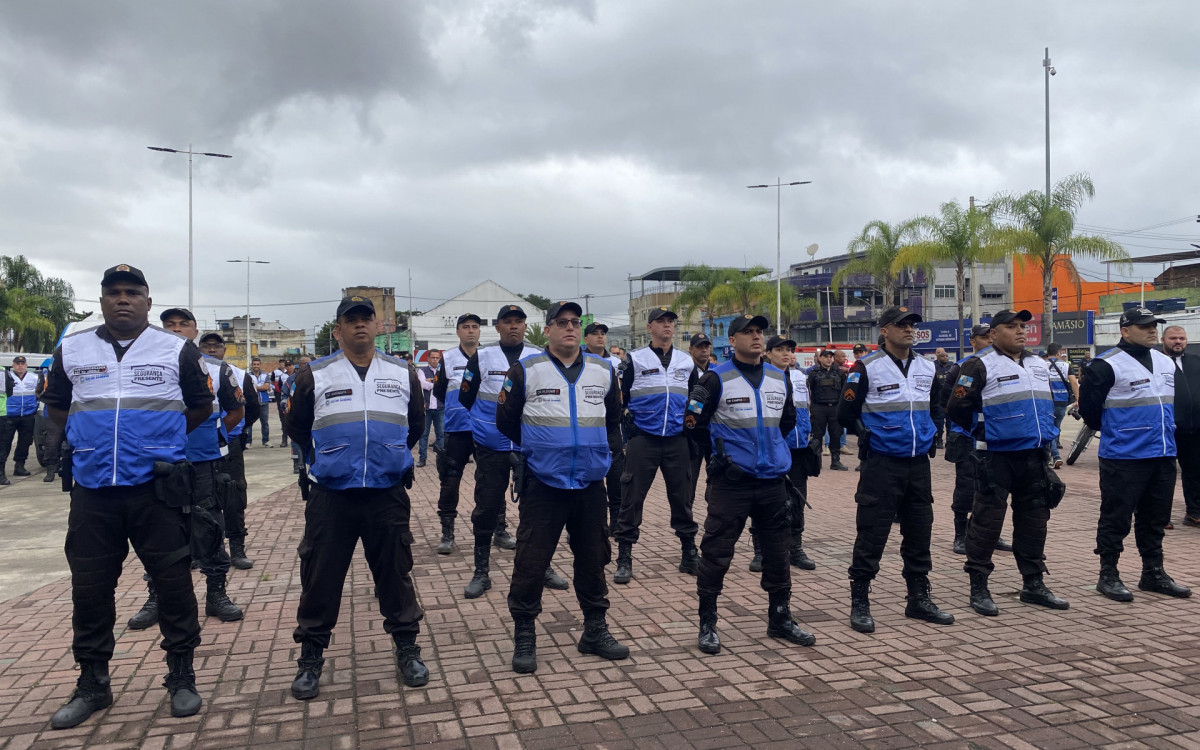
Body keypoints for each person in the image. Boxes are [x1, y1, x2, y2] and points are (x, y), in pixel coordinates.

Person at [41, 264, 211, 728]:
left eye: (132, 293)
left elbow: (200, 406)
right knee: (90, 590)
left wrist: (159, 443)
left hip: (156, 489)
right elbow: (56, 404)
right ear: (101, 300)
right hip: (94, 491)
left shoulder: (177, 349)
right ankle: (93, 684)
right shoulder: (72, 349)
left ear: (147, 302)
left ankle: (181, 678)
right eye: (113, 292)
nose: (122, 299)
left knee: (174, 586)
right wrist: (87, 437)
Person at [286, 295, 429, 699]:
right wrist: (331, 460)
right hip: (331, 496)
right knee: (320, 578)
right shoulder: (314, 374)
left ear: (378, 326)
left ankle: (408, 651)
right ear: (338, 330)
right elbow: (298, 428)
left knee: (395, 577)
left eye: (367, 318)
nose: (360, 325)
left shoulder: (403, 373)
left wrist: (389, 457)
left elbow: (414, 425)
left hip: (386, 494)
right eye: (352, 320)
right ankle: (310, 659)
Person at [497, 301, 630, 673]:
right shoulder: (525, 370)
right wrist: (540, 450)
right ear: (549, 329)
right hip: (543, 481)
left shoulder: (604, 370)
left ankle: (595, 629)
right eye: (562, 323)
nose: (570, 328)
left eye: (575, 322)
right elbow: (507, 421)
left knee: (593, 557)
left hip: (589, 482)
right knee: (531, 560)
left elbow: (613, 417)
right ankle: (525, 634)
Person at [686, 314, 816, 654]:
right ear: (732, 340)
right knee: (716, 552)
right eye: (747, 332)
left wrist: (769, 451)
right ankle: (708, 622)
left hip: (773, 481)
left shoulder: (778, 376)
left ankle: (780, 617)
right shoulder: (715, 379)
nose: (756, 337)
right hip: (732, 483)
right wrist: (719, 454)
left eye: (759, 332)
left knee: (778, 552)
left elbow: (787, 421)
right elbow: (693, 423)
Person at [837, 306, 954, 634]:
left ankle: (919, 598)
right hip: (882, 464)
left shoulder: (927, 366)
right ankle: (860, 600)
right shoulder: (865, 367)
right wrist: (867, 435)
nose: (909, 330)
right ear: (884, 331)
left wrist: (931, 432)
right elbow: (846, 412)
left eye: (912, 325)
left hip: (918, 464)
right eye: (901, 325)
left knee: (920, 532)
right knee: (872, 533)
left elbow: (933, 405)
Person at [945, 310, 1069, 617]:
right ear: (994, 333)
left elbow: (1047, 404)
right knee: (987, 523)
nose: (1020, 332)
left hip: (1034, 456)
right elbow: (957, 406)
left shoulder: (1039, 364)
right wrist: (984, 431)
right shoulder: (978, 364)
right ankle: (979, 586)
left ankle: (1034, 584)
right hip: (995, 458)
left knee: (1034, 523)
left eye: (1023, 326)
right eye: (1011, 327)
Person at [1080, 306, 1191, 602]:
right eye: (1145, 326)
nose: (1152, 330)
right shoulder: (1105, 365)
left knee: (1155, 518)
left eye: (1154, 325)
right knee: (1116, 517)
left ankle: (1153, 572)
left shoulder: (1164, 361)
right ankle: (1109, 574)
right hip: (1124, 456)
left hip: (1163, 453)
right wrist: (1124, 432)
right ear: (1125, 331)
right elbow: (1091, 413)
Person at [458, 304, 568, 599]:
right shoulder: (482, 356)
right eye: (507, 322)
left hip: (529, 445)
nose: (514, 326)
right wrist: (485, 426)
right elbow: (466, 397)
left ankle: (542, 567)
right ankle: (481, 572)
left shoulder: (539, 356)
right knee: (486, 508)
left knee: (537, 510)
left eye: (519, 321)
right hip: (492, 446)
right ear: (498, 327)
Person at [152, 313, 246, 626]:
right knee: (158, 533)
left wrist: (217, 438)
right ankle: (156, 598)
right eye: (170, 326)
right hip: (163, 464)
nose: (176, 330)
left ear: (194, 331)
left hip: (204, 462)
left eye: (183, 325)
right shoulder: (148, 365)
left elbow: (236, 410)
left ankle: (216, 595)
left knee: (209, 527)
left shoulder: (219, 369)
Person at [612, 306, 699, 584]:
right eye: (660, 322)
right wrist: (627, 425)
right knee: (632, 498)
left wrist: (692, 428)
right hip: (643, 440)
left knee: (682, 498)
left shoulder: (686, 361)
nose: (666, 326)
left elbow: (696, 399)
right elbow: (618, 396)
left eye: (670, 322)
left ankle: (688, 553)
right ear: (649, 327)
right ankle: (624, 557)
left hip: (676, 440)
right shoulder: (634, 360)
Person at [940, 325, 1013, 556]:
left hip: (996, 439)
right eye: (983, 338)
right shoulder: (961, 367)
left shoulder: (1006, 365)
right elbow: (948, 402)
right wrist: (972, 425)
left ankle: (990, 533)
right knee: (966, 488)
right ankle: (961, 534)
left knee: (996, 489)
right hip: (966, 437)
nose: (989, 341)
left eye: (991, 337)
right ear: (973, 341)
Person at [200, 333, 260, 570]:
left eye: (217, 346)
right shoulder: (188, 371)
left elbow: (252, 409)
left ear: (225, 350)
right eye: (207, 346)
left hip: (229, 445)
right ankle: (201, 551)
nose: (212, 350)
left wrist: (231, 432)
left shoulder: (239, 374)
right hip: (198, 447)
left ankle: (237, 548)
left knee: (234, 496)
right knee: (201, 498)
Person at [763, 335, 816, 570]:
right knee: (765, 501)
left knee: (797, 499)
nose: (786, 353)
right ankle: (759, 550)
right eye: (780, 349)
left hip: (798, 448)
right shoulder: (760, 376)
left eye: (789, 349)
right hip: (771, 448)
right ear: (768, 353)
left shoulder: (800, 376)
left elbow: (806, 409)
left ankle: (795, 548)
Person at [432, 313, 482, 554]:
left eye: (475, 327)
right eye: (465, 327)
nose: (471, 331)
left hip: (486, 430)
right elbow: (440, 390)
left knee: (492, 480)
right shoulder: (448, 358)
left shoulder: (490, 356)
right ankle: (447, 533)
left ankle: (500, 529)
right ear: (458, 331)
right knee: (450, 480)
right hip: (457, 429)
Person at [584, 322, 626, 532]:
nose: (600, 337)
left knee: (616, 472)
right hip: (588, 424)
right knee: (589, 472)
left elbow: (624, 389)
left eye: (603, 334)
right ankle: (587, 521)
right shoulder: (580, 360)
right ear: (586, 339)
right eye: (594, 334)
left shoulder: (616, 362)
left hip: (611, 423)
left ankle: (616, 518)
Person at [1164, 326, 1200, 527]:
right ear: (1163, 340)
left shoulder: (1196, 361)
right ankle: (1161, 516)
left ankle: (1194, 513)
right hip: (1167, 429)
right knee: (1164, 474)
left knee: (1195, 472)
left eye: (1182, 338)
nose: (1178, 341)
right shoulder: (1156, 362)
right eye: (1173, 338)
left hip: (1194, 429)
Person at [0, 355, 42, 483]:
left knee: (25, 442)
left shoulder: (34, 377)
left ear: (26, 365)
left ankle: (20, 465)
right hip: (10, 415)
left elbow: (39, 393)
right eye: (17, 363)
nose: (20, 366)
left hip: (28, 415)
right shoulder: (7, 376)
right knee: (5, 443)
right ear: (13, 365)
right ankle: (1, 470)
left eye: (22, 363)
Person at [686, 332, 714, 509]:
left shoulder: (716, 371)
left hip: (713, 432)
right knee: (689, 480)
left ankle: (715, 508)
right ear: (691, 349)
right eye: (699, 346)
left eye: (706, 346)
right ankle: (686, 519)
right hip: (693, 432)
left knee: (717, 477)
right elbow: (692, 403)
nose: (704, 350)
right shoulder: (685, 372)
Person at [808, 349, 847, 470]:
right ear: (820, 358)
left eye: (830, 356)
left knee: (836, 434)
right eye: (826, 357)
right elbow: (810, 390)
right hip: (819, 407)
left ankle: (835, 461)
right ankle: (816, 462)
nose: (829, 359)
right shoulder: (814, 373)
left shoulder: (839, 373)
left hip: (835, 407)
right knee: (817, 435)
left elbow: (844, 391)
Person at [1044, 342, 1074, 468]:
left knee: (1049, 427)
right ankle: (1052, 455)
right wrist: (1078, 399)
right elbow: (1073, 382)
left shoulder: (1041, 365)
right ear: (1058, 353)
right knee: (1056, 427)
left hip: (1047, 401)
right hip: (1062, 401)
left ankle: (1054, 456)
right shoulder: (1066, 365)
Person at [416, 350, 445, 467]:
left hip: (440, 407)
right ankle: (422, 458)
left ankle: (441, 459)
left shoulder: (443, 371)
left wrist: (430, 382)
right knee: (423, 434)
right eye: (432, 357)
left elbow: (446, 385)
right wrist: (436, 384)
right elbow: (422, 384)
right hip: (426, 407)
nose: (435, 360)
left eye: (437, 358)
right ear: (428, 359)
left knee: (441, 434)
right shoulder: (422, 370)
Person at [930, 348, 953, 450]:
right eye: (943, 356)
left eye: (946, 356)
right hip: (938, 399)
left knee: (950, 421)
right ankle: (939, 440)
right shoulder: (934, 367)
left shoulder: (952, 366)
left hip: (950, 399)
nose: (945, 358)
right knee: (938, 421)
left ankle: (950, 441)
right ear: (938, 357)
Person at [250, 357, 273, 447]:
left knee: (265, 423)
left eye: (257, 364)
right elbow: (248, 388)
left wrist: (254, 387)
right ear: (252, 365)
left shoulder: (265, 375)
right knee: (250, 423)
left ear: (260, 365)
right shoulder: (248, 375)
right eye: (254, 364)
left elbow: (267, 387)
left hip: (264, 402)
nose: (256, 366)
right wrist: (261, 387)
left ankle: (266, 441)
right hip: (252, 402)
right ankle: (248, 442)